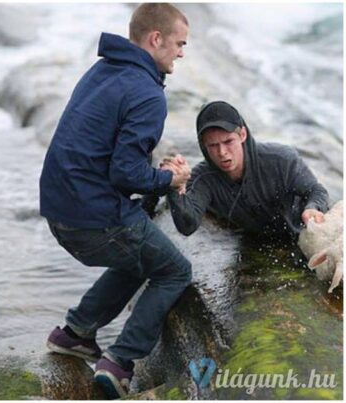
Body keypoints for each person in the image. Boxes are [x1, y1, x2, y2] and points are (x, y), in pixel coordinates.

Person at [39, 4, 192, 398]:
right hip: (94, 219)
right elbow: (125, 173)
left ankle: (75, 333)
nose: (181, 53)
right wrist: (169, 178)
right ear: (155, 39)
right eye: (179, 43)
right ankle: (120, 361)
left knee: (140, 253)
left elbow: (107, 154)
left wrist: (150, 173)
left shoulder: (102, 71)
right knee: (174, 270)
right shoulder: (147, 93)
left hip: (59, 211)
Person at [164, 100, 329, 242]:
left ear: (242, 134)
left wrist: (313, 208)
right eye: (213, 146)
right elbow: (187, 226)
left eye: (228, 141)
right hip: (254, 241)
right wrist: (175, 187)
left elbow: (316, 190)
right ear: (203, 145)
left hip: (301, 232)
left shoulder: (281, 159)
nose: (222, 152)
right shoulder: (202, 178)